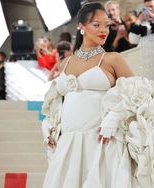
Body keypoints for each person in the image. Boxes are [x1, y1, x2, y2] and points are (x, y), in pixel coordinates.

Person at [42, 2, 134, 187]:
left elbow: (136, 93)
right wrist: (50, 126)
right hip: (69, 143)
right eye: (96, 25)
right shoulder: (65, 63)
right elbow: (57, 101)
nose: (104, 30)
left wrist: (114, 118)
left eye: (106, 25)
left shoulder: (113, 59)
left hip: (102, 141)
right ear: (81, 27)